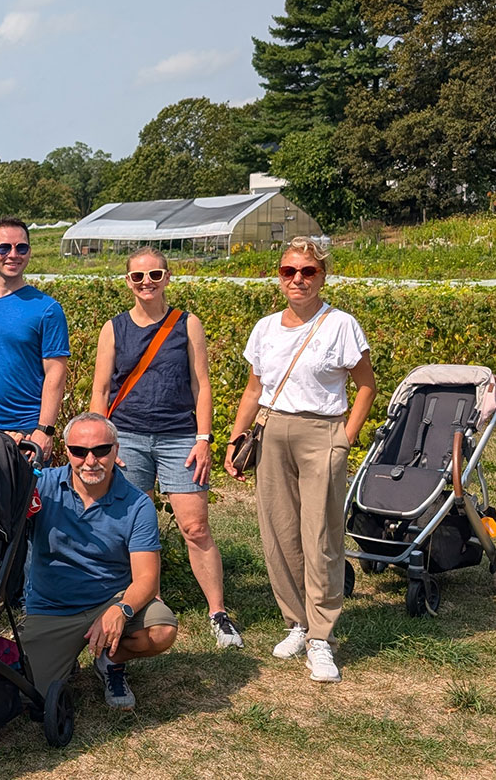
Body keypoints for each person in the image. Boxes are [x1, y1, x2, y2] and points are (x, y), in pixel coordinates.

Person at [225, 236, 376, 684]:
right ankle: (297, 622)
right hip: (272, 431)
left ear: (323, 275)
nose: (297, 280)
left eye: (307, 272)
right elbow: (253, 390)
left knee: (321, 535)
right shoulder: (266, 328)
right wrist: (236, 440)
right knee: (279, 531)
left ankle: (321, 637)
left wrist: (344, 439)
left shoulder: (341, 325)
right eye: (289, 271)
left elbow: (365, 385)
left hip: (321, 432)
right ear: (279, 276)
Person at [89, 246, 242, 649]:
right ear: (127, 282)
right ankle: (147, 602)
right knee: (133, 529)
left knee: (196, 526)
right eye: (138, 277)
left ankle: (218, 612)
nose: (146, 283)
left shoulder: (187, 324)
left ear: (168, 278)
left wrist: (204, 438)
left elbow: (201, 384)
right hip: (128, 438)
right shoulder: (114, 328)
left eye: (154, 275)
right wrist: (102, 442)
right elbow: (101, 389)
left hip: (179, 436)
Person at [22, 413, 179, 711]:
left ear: (116, 450)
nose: (90, 460)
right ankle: (63, 659)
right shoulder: (42, 487)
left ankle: (110, 660)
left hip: (109, 599)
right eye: (79, 451)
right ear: (66, 452)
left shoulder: (137, 503)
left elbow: (147, 577)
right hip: (52, 607)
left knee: (162, 630)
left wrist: (121, 609)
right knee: (31, 698)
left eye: (101, 450)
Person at [0, 217, 70, 458]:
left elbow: (56, 372)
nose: (13, 255)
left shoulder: (47, 309)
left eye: (21, 248)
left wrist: (45, 429)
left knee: (26, 496)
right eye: (4, 248)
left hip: (27, 431)